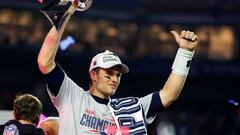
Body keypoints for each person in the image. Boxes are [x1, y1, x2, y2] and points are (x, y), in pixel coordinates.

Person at [37, 3, 198, 135]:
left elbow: (169, 94)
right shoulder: (72, 96)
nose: (114, 79)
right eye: (108, 74)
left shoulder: (130, 108)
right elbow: (45, 62)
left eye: (118, 75)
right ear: (93, 75)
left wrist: (185, 52)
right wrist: (64, 15)